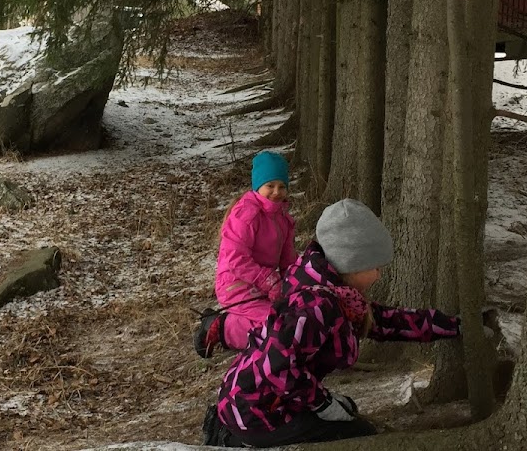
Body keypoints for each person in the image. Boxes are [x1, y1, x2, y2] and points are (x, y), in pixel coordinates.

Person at [202, 198, 462, 448]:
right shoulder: (317, 306)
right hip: (255, 413)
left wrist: (450, 325)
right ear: (351, 264)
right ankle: (234, 440)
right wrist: (322, 403)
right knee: (359, 436)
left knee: (352, 420)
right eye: (374, 267)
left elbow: (383, 322)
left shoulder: (333, 291)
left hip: (256, 400)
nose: (379, 274)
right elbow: (277, 366)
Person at [195, 151, 296, 358]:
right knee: (273, 326)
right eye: (270, 186)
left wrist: (295, 284)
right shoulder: (247, 214)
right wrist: (267, 280)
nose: (276, 192)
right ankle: (219, 328)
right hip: (235, 283)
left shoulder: (283, 219)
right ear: (258, 186)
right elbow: (235, 258)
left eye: (281, 186)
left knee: (291, 316)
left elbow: (288, 260)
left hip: (262, 286)